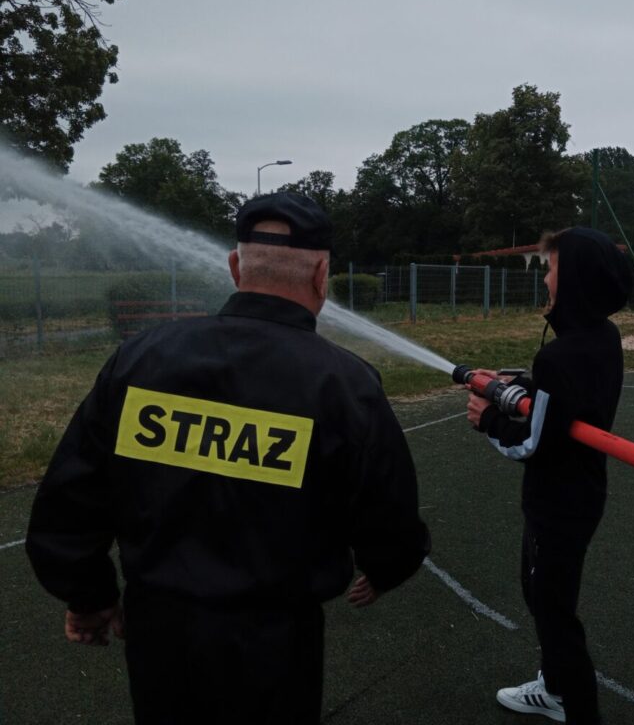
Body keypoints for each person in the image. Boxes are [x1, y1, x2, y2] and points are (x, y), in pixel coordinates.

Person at [25, 192, 430, 724]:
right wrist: (385, 568)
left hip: (158, 638)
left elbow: (70, 500)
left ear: (236, 266)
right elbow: (389, 511)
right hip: (276, 646)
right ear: (321, 275)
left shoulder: (141, 358)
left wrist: (90, 598)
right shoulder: (346, 385)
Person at [465, 227, 632, 725]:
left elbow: (532, 442)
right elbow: (563, 399)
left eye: (552, 268)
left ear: (574, 277)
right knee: (541, 592)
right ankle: (556, 685)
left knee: (552, 610)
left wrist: (487, 419)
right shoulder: (602, 336)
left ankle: (573, 706)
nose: (545, 278)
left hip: (556, 501)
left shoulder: (559, 356)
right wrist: (516, 385)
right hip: (583, 494)